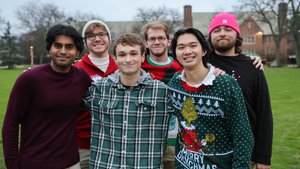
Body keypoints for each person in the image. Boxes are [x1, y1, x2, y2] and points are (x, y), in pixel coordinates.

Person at [2, 24, 92, 169]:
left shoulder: (82, 78)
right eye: (58, 45)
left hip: (71, 163)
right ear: (50, 49)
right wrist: (12, 164)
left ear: (77, 52)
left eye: (69, 47)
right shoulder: (29, 79)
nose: (63, 51)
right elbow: (10, 125)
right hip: (34, 162)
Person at [168, 27, 254, 168]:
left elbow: (243, 136)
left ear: (204, 50)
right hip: (184, 164)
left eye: (193, 46)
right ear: (175, 53)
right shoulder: (175, 84)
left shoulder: (226, 85)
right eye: (181, 47)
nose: (187, 51)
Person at [84, 33, 170, 168]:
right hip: (106, 164)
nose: (128, 59)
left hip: (145, 165)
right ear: (115, 59)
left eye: (133, 53)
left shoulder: (162, 92)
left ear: (142, 57)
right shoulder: (98, 89)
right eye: (122, 55)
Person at [207, 12, 273, 169]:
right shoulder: (202, 63)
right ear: (210, 36)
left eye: (227, 29)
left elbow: (264, 113)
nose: (222, 33)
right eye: (217, 30)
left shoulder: (253, 67)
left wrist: (263, 158)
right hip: (206, 152)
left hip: (243, 152)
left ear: (237, 35)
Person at [75, 20, 118, 169]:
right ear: (85, 42)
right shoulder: (76, 69)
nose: (97, 39)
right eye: (91, 36)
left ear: (108, 38)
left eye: (101, 34)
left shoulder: (121, 67)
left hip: (116, 142)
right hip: (84, 143)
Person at [141, 21, 182, 169]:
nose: (157, 42)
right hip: (144, 139)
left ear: (168, 41)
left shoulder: (181, 65)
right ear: (146, 43)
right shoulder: (138, 64)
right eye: (152, 39)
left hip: (173, 137)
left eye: (161, 38)